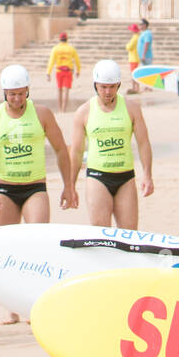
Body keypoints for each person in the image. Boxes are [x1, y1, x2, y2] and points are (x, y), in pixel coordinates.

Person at [0, 64, 76, 233]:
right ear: (5, 92)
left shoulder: (42, 114)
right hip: (5, 190)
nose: (17, 98)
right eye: (12, 94)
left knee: (38, 238)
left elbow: (60, 149)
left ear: (28, 90)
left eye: (21, 94)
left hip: (35, 188)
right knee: (6, 245)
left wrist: (68, 186)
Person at [70, 59, 154, 229]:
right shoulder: (84, 112)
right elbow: (76, 151)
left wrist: (147, 174)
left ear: (118, 85)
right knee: (101, 235)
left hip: (125, 177)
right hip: (98, 177)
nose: (108, 92)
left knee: (129, 235)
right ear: (95, 85)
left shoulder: (131, 108)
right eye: (103, 87)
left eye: (112, 87)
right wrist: (70, 185)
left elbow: (143, 143)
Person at [46, 32, 81, 112]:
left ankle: (59, 109)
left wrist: (48, 72)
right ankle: (64, 109)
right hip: (68, 72)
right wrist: (78, 70)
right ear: (66, 39)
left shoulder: (55, 49)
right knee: (66, 90)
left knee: (59, 90)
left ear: (60, 39)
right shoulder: (71, 48)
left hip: (59, 71)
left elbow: (51, 61)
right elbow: (77, 61)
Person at [125, 24, 140, 93]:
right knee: (135, 74)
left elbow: (129, 47)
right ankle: (135, 88)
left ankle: (135, 88)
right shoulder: (137, 37)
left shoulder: (135, 38)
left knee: (134, 74)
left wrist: (127, 45)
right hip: (135, 57)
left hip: (133, 58)